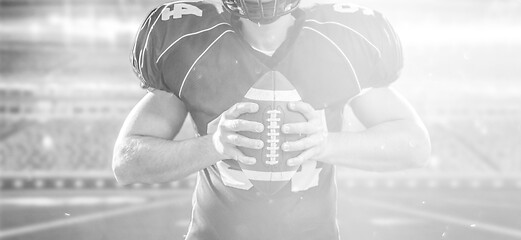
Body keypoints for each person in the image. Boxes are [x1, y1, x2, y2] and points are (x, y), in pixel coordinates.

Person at [112, 0, 431, 239]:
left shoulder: (339, 44)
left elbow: (415, 145)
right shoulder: (193, 45)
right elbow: (126, 161)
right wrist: (214, 146)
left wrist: (326, 144)